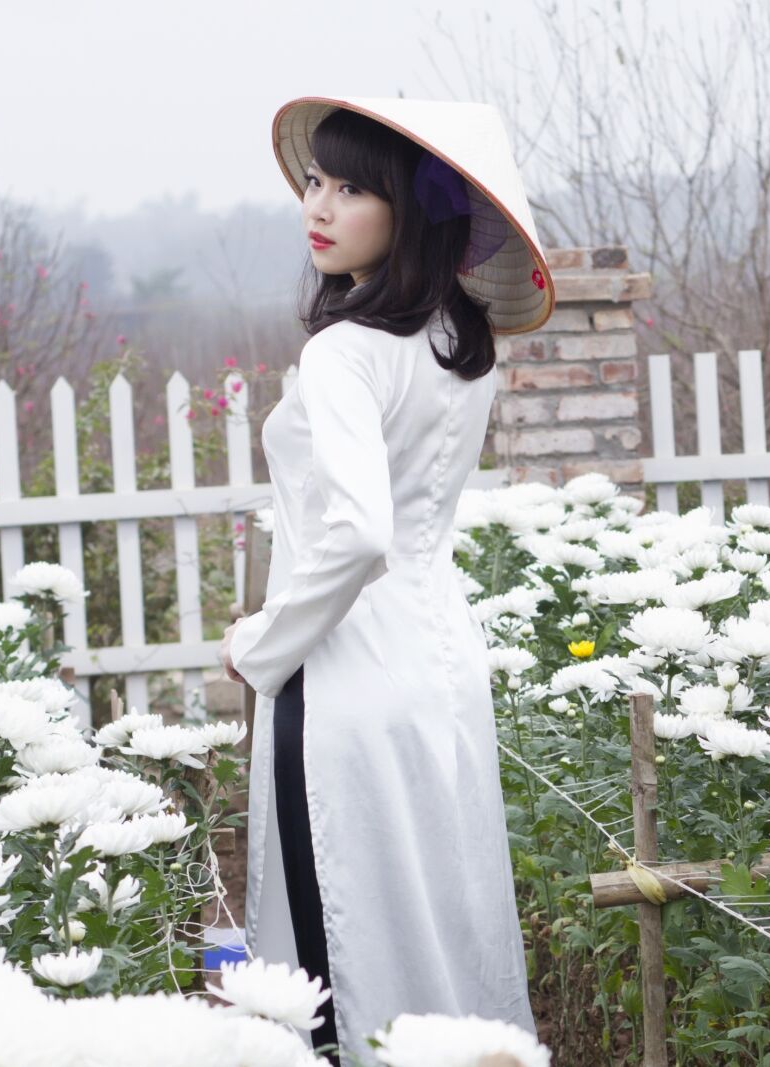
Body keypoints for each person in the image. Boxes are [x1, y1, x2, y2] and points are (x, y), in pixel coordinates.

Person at [217, 96, 554, 1066]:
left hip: (346, 685)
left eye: (352, 188)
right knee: (449, 926)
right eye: (317, 181)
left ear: (409, 212)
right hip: (441, 670)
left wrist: (262, 643)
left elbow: (360, 533)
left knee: (340, 962)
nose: (317, 205)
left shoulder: (343, 353)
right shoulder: (463, 345)